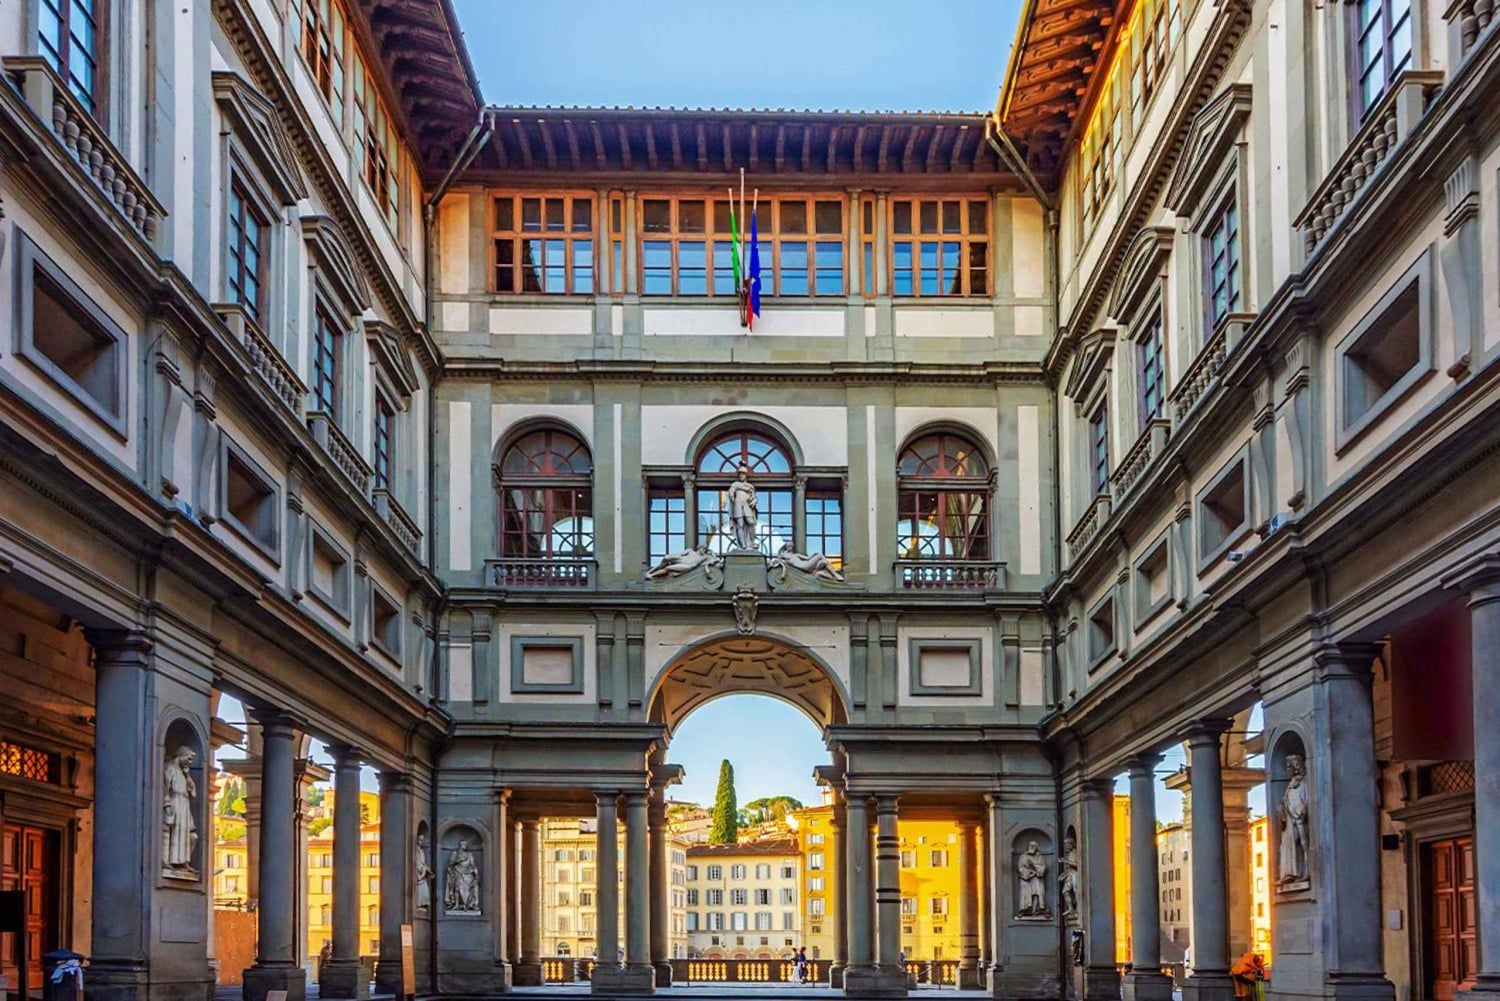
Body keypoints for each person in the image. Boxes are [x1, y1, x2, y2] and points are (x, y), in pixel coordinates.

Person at [726, 464, 759, 550]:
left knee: (750, 522)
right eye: (740, 474)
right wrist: (731, 496)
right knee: (739, 524)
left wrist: (754, 501)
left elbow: (754, 497)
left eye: (743, 474)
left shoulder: (750, 486)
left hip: (747, 505)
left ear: (746, 475)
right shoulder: (735, 484)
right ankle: (742, 544)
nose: (741, 475)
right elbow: (731, 492)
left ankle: (751, 542)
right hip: (737, 505)